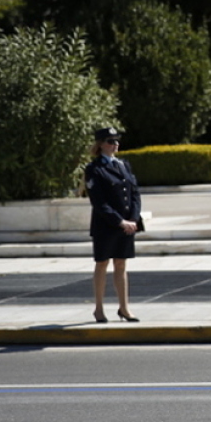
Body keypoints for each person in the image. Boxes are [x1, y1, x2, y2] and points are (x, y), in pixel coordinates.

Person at [85, 127, 141, 324]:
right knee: (102, 264)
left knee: (121, 263)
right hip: (106, 225)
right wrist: (119, 221)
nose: (115, 144)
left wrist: (133, 219)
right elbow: (99, 202)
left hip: (127, 224)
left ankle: (124, 308)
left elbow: (134, 194)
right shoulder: (94, 169)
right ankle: (99, 309)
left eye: (117, 141)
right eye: (110, 141)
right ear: (100, 144)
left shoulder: (124, 165)